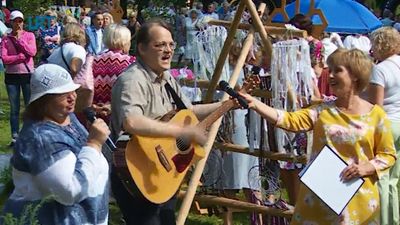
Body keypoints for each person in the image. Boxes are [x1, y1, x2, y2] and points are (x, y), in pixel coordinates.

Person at [236, 48, 396, 224]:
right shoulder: (323, 111)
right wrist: (255, 104)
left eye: (338, 70)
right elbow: (289, 120)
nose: (331, 76)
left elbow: (388, 155)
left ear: (356, 75)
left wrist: (367, 167)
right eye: (330, 70)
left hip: (358, 200)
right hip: (319, 198)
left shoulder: (376, 115)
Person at [110, 19, 226, 225]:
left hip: (164, 170)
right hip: (137, 170)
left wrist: (226, 105)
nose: (168, 50)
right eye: (160, 45)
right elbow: (132, 122)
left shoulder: (167, 78)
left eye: (171, 44)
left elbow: (188, 112)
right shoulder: (132, 80)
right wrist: (179, 132)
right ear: (142, 49)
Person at [1, 64, 110, 225]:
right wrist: (94, 144)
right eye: (62, 93)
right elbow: (69, 192)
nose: (72, 96)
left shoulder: (66, 117)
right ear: (43, 100)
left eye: (72, 90)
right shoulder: (40, 138)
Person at [366, 26, 400, 225]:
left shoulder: (380, 70)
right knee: (395, 180)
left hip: (388, 123)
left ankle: (384, 221)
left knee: (382, 178)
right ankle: (394, 219)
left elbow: (376, 107)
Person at [1, 10, 37, 147]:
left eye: (20, 21)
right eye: (15, 21)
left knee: (29, 106)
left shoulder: (29, 36)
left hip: (27, 74)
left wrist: (20, 41)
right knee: (14, 108)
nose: (18, 24)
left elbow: (32, 52)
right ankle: (15, 136)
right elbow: (4, 58)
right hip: (12, 76)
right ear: (11, 22)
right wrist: (19, 58)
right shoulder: (5, 39)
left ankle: (29, 134)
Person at [92, 24, 136, 124]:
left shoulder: (93, 60)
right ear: (126, 41)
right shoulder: (131, 62)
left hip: (97, 112)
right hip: (120, 114)